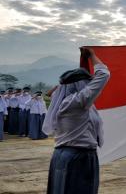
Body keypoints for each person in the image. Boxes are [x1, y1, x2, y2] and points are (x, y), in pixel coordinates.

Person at [43, 47, 110, 194]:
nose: (88, 87)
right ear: (80, 85)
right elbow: (104, 74)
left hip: (66, 155)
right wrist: (92, 56)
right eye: (86, 83)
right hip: (78, 157)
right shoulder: (76, 102)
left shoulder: (68, 102)